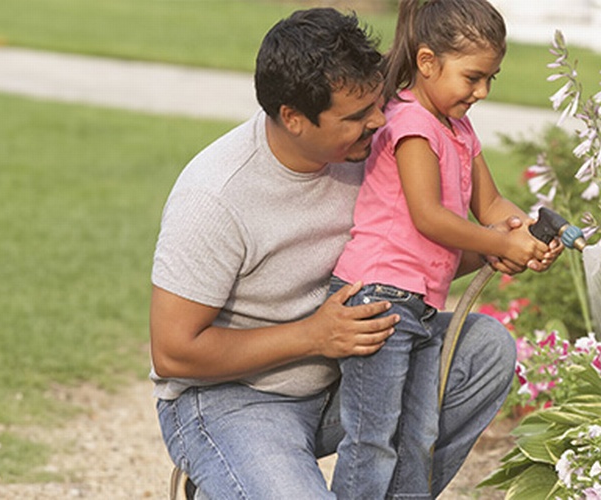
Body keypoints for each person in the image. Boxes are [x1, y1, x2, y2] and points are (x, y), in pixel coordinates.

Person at [150, 7, 554, 499]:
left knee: (484, 350)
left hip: (351, 371)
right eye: (356, 117)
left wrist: (500, 249)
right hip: (237, 398)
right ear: (293, 119)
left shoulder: (375, 147)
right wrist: (313, 336)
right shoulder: (215, 195)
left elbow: (411, 256)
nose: (380, 120)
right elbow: (173, 352)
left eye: (377, 102)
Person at [327, 0, 555, 498]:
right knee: (373, 440)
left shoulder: (459, 130)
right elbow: (429, 217)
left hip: (419, 307)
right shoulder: (410, 123)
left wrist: (529, 234)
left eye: (491, 78)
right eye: (473, 77)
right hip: (378, 302)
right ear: (428, 62)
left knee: (419, 436)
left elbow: (491, 203)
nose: (483, 91)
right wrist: (500, 241)